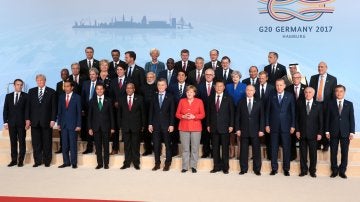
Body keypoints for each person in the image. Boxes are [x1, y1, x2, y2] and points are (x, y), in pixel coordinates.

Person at [266, 78, 295, 176]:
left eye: (281, 85)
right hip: (273, 126)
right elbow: (267, 112)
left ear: (284, 86)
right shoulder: (271, 96)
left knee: (286, 148)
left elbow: (293, 112)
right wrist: (267, 124)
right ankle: (274, 168)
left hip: (286, 127)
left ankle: (286, 169)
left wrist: (293, 125)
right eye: (277, 85)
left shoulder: (290, 96)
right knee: (274, 148)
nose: (279, 87)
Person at [27, 74, 57, 167]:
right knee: (36, 143)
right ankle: (38, 161)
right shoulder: (31, 91)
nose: (40, 82)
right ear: (36, 81)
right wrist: (27, 119)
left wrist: (53, 120)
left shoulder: (52, 92)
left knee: (47, 142)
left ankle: (47, 161)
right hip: (34, 121)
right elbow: (28, 107)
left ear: (45, 81)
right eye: (38, 80)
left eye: (42, 80)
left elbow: (54, 108)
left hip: (47, 121)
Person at [326, 85, 355, 179]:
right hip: (333, 131)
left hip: (345, 132)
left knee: (344, 152)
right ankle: (334, 170)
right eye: (337, 91)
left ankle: (342, 170)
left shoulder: (349, 104)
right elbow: (327, 119)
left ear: (344, 92)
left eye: (341, 91)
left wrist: (352, 132)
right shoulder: (330, 104)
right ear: (335, 92)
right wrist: (327, 131)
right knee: (333, 152)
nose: (339, 93)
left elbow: (351, 119)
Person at [235, 85, 264, 176]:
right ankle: (243, 169)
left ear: (254, 91)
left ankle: (257, 169)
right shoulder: (241, 102)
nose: (249, 92)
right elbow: (237, 117)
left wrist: (261, 130)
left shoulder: (259, 102)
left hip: (256, 131)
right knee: (243, 151)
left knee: (256, 150)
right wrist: (238, 129)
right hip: (244, 130)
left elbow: (262, 117)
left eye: (251, 90)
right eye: (247, 90)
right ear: (245, 91)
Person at [176, 85, 205, 173]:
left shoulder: (199, 101)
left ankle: (193, 166)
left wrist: (194, 116)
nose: (189, 93)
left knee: (195, 148)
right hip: (184, 127)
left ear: (194, 93)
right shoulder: (182, 101)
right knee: (185, 148)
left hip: (196, 128)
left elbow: (203, 114)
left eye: (191, 92)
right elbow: (177, 114)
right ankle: (185, 166)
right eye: (188, 92)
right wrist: (183, 116)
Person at [207, 80, 234, 174]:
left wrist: (231, 125)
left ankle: (225, 167)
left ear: (224, 87)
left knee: (225, 148)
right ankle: (216, 166)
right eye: (217, 86)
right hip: (214, 126)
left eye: (220, 86)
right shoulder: (210, 98)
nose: (218, 88)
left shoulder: (229, 98)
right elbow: (209, 113)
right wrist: (208, 124)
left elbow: (232, 113)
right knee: (215, 148)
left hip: (225, 127)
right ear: (214, 87)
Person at [309, 61, 337, 151]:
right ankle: (317, 143)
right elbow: (310, 91)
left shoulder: (332, 79)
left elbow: (334, 94)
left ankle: (325, 143)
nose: (320, 68)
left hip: (327, 105)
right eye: (318, 67)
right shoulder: (313, 78)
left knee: (325, 123)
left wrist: (333, 107)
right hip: (315, 104)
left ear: (326, 68)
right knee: (315, 123)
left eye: (322, 67)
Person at [148, 78, 175, 171]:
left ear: (166, 86)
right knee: (156, 145)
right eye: (159, 85)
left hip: (166, 125)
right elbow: (150, 111)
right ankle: (157, 163)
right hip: (155, 124)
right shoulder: (153, 96)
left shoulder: (170, 96)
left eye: (162, 85)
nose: (160, 87)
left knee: (168, 144)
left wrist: (172, 124)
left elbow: (172, 112)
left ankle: (167, 163)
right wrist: (150, 124)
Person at [295, 87, 323, 178]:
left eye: (310, 92)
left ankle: (312, 171)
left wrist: (320, 133)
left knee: (313, 154)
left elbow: (321, 121)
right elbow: (297, 119)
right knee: (302, 153)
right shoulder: (300, 104)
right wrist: (297, 131)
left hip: (314, 134)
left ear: (313, 94)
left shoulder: (318, 105)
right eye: (306, 92)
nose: (307, 94)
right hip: (302, 133)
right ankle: (303, 170)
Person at [118, 83, 146, 170]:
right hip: (125, 126)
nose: (129, 90)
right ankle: (126, 163)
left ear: (134, 89)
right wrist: (120, 125)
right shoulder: (122, 99)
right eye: (127, 88)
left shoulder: (140, 98)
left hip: (136, 126)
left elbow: (143, 113)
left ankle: (136, 163)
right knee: (127, 145)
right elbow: (119, 113)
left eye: (131, 88)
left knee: (135, 145)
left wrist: (143, 125)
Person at [3, 79, 29, 167]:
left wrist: (27, 121)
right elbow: (5, 110)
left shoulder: (26, 96)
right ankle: (14, 160)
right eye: (18, 84)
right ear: (14, 86)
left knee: (22, 142)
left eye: (21, 85)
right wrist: (5, 122)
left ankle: (21, 160)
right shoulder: (8, 96)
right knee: (13, 142)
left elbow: (27, 110)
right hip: (11, 123)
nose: (20, 86)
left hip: (21, 123)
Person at [88, 83, 115, 169]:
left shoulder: (108, 100)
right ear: (95, 90)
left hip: (106, 127)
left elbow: (111, 115)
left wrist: (112, 127)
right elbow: (89, 116)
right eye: (97, 89)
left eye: (101, 89)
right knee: (98, 146)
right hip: (95, 127)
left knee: (106, 146)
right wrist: (89, 128)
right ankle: (99, 163)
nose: (99, 90)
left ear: (103, 90)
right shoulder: (92, 101)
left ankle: (106, 163)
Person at [57, 81, 82, 169]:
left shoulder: (77, 97)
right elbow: (59, 111)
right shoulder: (61, 97)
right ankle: (66, 162)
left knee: (72, 144)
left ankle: (74, 162)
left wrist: (78, 124)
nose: (66, 88)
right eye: (65, 86)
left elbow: (79, 112)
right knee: (64, 144)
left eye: (68, 86)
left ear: (72, 87)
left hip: (73, 124)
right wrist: (59, 123)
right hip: (63, 124)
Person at [285, 71, 307, 160]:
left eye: (298, 78)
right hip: (291, 115)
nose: (296, 79)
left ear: (300, 78)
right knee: (291, 137)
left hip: (303, 115)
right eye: (294, 78)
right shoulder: (288, 88)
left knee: (303, 136)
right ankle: (292, 155)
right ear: (292, 79)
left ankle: (303, 157)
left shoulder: (306, 88)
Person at [226, 71, 246, 158]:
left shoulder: (244, 86)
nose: (235, 78)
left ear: (239, 77)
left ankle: (240, 153)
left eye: (237, 76)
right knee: (231, 133)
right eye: (233, 76)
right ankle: (232, 152)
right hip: (230, 111)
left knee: (239, 132)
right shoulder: (228, 86)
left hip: (241, 112)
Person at [255, 71, 274, 160]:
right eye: (260, 78)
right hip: (256, 115)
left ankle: (270, 155)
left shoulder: (272, 88)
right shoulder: (254, 87)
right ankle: (255, 156)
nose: (261, 79)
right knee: (256, 136)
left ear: (266, 78)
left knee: (269, 136)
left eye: (263, 78)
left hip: (269, 115)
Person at [168, 70, 188, 156]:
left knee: (186, 134)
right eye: (179, 75)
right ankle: (174, 151)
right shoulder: (172, 86)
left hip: (186, 114)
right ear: (177, 77)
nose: (180, 77)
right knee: (174, 133)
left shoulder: (189, 87)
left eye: (182, 75)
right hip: (174, 113)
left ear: (185, 77)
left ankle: (186, 152)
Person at [109, 64, 128, 154]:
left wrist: (121, 103)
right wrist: (114, 102)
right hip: (115, 109)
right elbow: (110, 95)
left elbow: (131, 94)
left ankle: (127, 149)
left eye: (121, 69)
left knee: (126, 129)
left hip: (126, 109)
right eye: (117, 69)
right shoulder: (113, 81)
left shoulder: (129, 81)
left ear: (125, 70)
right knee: (115, 129)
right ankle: (115, 148)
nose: (119, 71)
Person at [197, 68, 215, 158]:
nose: (208, 76)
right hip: (203, 114)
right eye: (207, 74)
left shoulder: (217, 86)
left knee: (214, 134)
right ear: (204, 75)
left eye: (210, 75)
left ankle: (214, 152)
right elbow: (197, 100)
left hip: (214, 114)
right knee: (205, 134)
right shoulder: (200, 86)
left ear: (213, 76)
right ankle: (206, 151)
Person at [81, 68, 99, 154]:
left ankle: (98, 148)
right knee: (89, 128)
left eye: (93, 74)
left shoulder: (100, 84)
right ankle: (89, 147)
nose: (92, 76)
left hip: (97, 110)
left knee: (96, 129)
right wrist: (83, 109)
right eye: (90, 74)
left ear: (97, 75)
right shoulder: (85, 83)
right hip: (87, 110)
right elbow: (83, 97)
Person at [140, 72, 157, 156]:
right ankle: (148, 149)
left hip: (156, 113)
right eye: (148, 77)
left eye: (151, 77)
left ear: (154, 77)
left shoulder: (158, 87)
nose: (149, 78)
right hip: (145, 113)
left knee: (156, 132)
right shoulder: (142, 87)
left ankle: (157, 149)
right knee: (146, 132)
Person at [55, 68, 70, 154]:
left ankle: (69, 147)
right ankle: (62, 147)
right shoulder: (58, 84)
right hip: (62, 111)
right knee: (61, 131)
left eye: (65, 74)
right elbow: (57, 97)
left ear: (68, 75)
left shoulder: (72, 84)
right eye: (62, 74)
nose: (63, 75)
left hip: (70, 111)